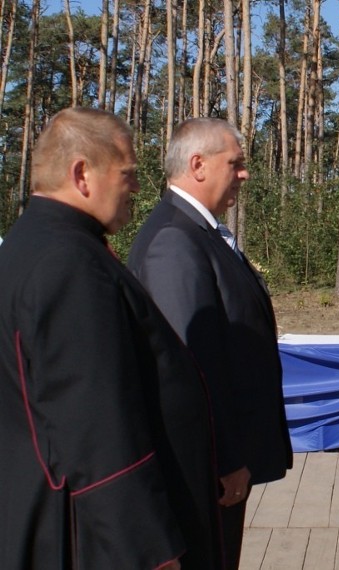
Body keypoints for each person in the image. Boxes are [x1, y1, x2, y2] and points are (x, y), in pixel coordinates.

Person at [0, 107, 223, 568]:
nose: (138, 189)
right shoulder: (68, 263)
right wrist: (147, 548)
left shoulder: (33, 244)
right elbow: (95, 424)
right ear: (82, 173)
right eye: (128, 174)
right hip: (87, 535)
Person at [128, 117, 293, 570]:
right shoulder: (175, 242)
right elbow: (192, 363)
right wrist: (225, 458)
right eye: (235, 163)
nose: (245, 173)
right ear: (197, 164)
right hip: (205, 467)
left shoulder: (198, 232)